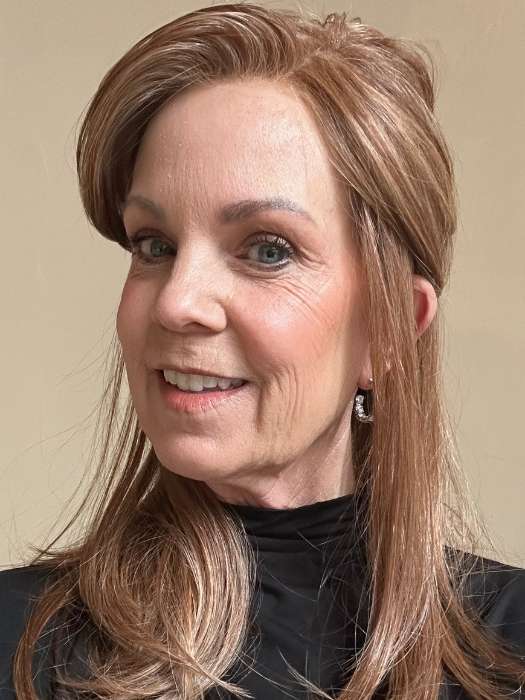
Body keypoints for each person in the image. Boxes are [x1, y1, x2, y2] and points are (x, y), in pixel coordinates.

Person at [1, 3, 524, 699]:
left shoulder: (508, 648)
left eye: (267, 250)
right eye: (154, 245)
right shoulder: (19, 641)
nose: (176, 302)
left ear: (389, 328)